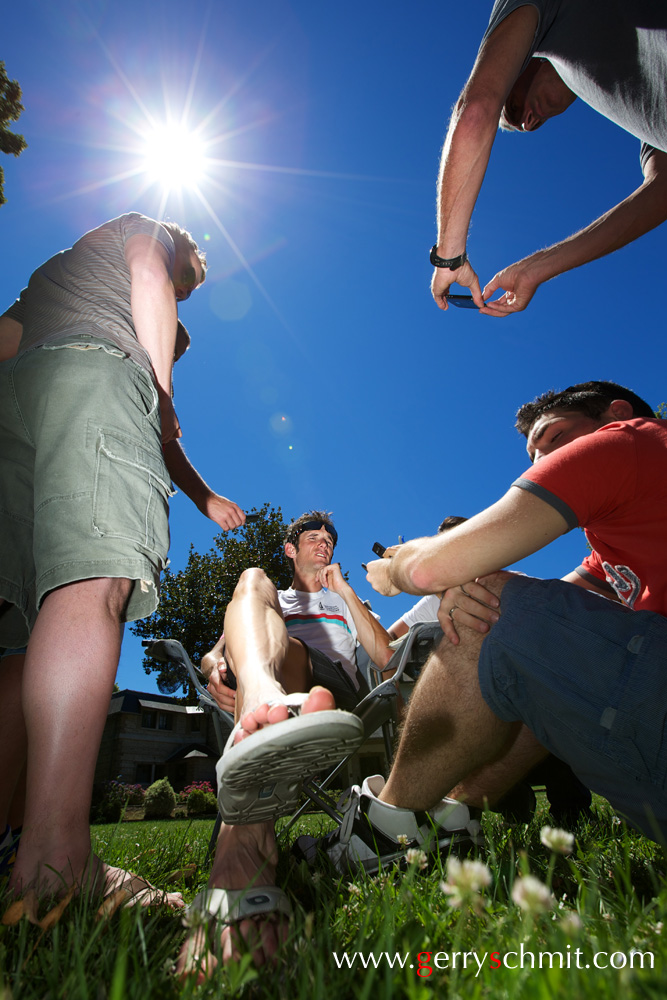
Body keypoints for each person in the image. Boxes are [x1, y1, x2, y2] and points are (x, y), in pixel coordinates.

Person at [0, 214, 245, 903]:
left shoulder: (61, 270)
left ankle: (9, 843)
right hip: (90, 380)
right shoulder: (148, 234)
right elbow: (147, 272)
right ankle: (53, 867)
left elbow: (6, 339)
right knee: (92, 581)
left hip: (16, 407)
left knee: (21, 632)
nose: (183, 288)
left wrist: (202, 495)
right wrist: (158, 392)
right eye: (188, 283)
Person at [353, 380, 667, 864]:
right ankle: (452, 816)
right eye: (532, 454)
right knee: (506, 625)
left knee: (489, 611)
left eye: (554, 438)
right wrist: (473, 584)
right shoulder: (612, 557)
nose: (542, 462)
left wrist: (395, 568)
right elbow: (543, 626)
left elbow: (428, 570)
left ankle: (378, 834)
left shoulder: (633, 439)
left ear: (615, 415)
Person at [177, 510, 480, 978]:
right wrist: (214, 664)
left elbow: (382, 657)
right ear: (290, 549)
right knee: (251, 579)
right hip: (274, 684)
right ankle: (265, 704)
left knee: (278, 654)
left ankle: (239, 850)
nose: (324, 545)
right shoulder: (268, 598)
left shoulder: (344, 599)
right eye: (313, 538)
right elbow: (217, 652)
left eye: (330, 540)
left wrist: (345, 593)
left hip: (336, 696)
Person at [430, 2, 667, 316]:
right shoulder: (644, 116)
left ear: (522, 62)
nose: (529, 122)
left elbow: (476, 110)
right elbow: (661, 192)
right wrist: (537, 269)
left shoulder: (550, 13)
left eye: (514, 106)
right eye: (530, 126)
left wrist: (449, 256)